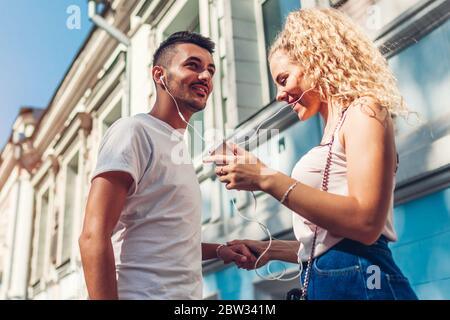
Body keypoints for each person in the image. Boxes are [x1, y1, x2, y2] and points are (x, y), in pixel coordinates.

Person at [205, 8, 418, 300]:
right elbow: (333, 241)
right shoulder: (333, 128)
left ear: (315, 61)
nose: (279, 95)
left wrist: (265, 177)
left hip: (364, 281)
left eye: (283, 79)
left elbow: (366, 225)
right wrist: (271, 250)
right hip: (333, 281)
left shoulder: (364, 110)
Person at [79, 31, 255, 300]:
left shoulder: (178, 149)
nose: (206, 77)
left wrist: (219, 250)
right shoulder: (134, 131)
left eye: (210, 70)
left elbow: (168, 244)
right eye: (192, 66)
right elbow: (93, 235)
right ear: (160, 75)